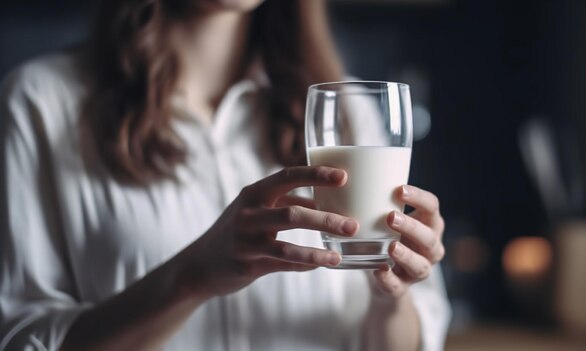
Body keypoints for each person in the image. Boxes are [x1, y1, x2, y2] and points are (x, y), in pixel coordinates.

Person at [0, 0, 451, 350]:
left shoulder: (349, 111)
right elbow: (20, 339)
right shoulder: (39, 105)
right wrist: (189, 278)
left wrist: (390, 295)